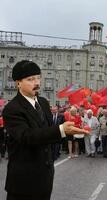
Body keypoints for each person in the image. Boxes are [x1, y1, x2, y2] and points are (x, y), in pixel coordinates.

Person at [2, 60, 89, 200]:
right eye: (30, 79)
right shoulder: (12, 109)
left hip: (45, 178)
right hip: (23, 183)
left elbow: (48, 132)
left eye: (38, 77)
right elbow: (27, 137)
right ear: (18, 83)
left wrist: (67, 131)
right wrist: (61, 129)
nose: (36, 82)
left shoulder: (42, 102)